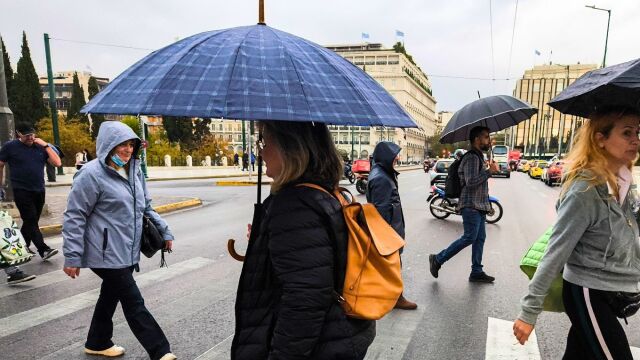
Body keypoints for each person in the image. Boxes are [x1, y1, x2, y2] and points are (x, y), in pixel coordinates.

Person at [231, 121, 375, 359]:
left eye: (265, 142)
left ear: (289, 148)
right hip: (336, 336)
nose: (261, 151)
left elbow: (304, 300)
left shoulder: (295, 205)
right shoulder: (323, 193)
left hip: (317, 346)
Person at [513, 107, 640, 359]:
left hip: (613, 290)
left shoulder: (623, 181)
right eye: (626, 132)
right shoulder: (585, 190)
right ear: (600, 139)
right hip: (588, 291)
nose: (636, 139)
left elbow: (628, 237)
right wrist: (529, 312)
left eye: (638, 131)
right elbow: (555, 252)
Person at [62, 121, 177, 360]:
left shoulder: (134, 170)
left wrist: (164, 231)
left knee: (110, 295)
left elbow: (145, 207)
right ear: (108, 146)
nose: (127, 150)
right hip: (103, 251)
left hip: (126, 248)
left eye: (131, 145)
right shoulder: (91, 174)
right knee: (133, 301)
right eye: (121, 145)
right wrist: (72, 255)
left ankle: (97, 341)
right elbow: (75, 215)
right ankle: (160, 351)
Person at [429, 126, 498, 283]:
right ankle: (438, 259)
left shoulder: (478, 157)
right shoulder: (472, 158)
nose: (489, 140)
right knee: (469, 237)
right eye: (486, 137)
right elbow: (471, 181)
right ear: (476, 139)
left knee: (480, 238)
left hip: (479, 206)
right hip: (471, 205)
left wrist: (487, 169)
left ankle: (477, 271)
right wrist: (489, 172)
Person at [366, 141, 418, 310]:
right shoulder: (381, 178)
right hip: (388, 231)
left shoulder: (382, 173)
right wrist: (386, 236)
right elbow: (382, 210)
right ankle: (396, 297)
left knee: (390, 265)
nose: (397, 158)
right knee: (393, 265)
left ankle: (387, 296)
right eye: (394, 155)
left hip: (390, 229)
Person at [0, 123, 60, 261]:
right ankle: (43, 250)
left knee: (30, 221)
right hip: (21, 189)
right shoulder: (10, 146)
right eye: (27, 135)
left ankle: (23, 246)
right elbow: (1, 163)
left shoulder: (40, 146)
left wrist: (45, 145)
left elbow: (57, 163)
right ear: (19, 134)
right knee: (31, 219)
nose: (30, 137)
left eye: (32, 134)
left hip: (39, 189)